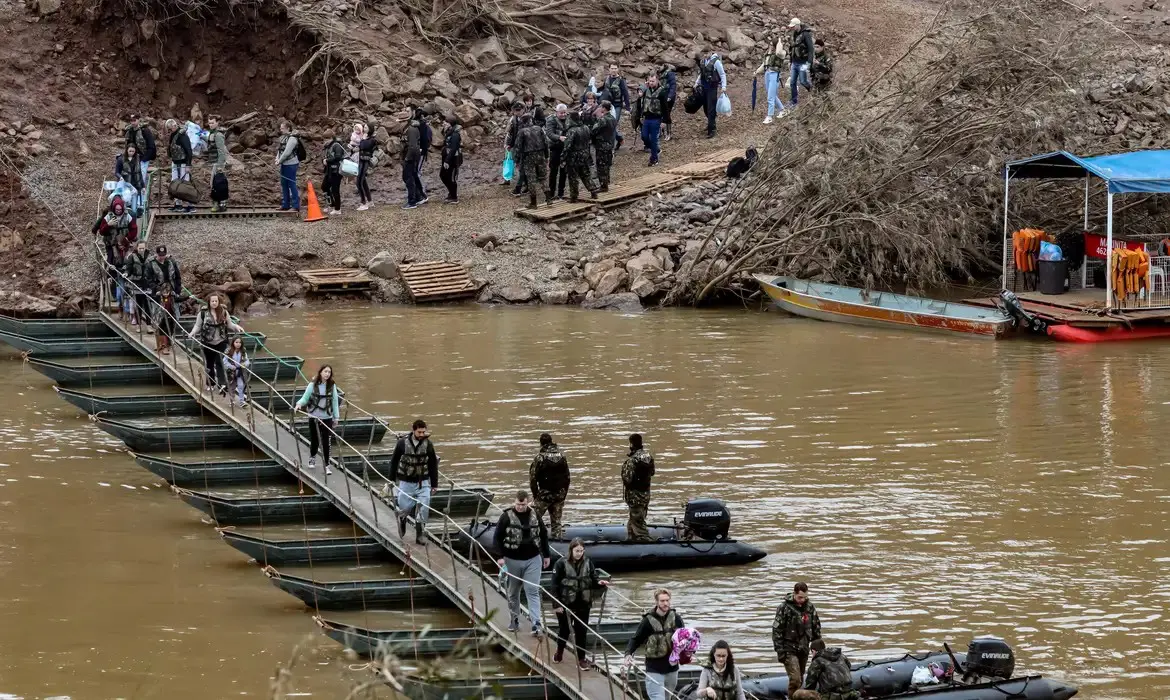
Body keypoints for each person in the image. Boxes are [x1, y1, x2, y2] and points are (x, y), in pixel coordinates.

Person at [493, 490, 551, 636]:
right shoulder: (506, 516)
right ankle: (514, 619)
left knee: (532, 590)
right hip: (512, 560)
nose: (520, 507)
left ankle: (536, 623)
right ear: (515, 502)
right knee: (513, 592)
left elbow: (543, 535)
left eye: (523, 504)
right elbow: (497, 537)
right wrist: (500, 557)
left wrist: (546, 555)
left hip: (533, 559)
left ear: (528, 502)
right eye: (518, 504)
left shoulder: (535, 515)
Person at [551, 537, 607, 668]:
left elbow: (593, 578)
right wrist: (556, 605)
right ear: (571, 550)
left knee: (581, 632)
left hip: (583, 603)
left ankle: (581, 659)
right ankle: (559, 652)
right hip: (565, 603)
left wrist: (599, 582)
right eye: (577, 551)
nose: (579, 553)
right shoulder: (560, 563)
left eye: (581, 551)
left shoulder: (588, 562)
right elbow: (554, 585)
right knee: (564, 630)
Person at [623, 588, 684, 700]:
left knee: (668, 697)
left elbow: (684, 637)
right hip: (654, 668)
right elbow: (636, 639)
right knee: (657, 697)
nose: (665, 603)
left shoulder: (677, 618)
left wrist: (688, 653)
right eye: (662, 601)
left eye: (667, 600)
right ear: (656, 602)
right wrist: (628, 654)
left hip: (672, 667)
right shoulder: (647, 620)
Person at [389, 419, 440, 545]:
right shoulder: (402, 443)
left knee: (424, 506)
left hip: (423, 482)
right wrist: (391, 480)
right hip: (406, 482)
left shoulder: (428, 444)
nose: (421, 434)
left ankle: (420, 535)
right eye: (419, 432)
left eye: (423, 432)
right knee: (404, 507)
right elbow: (394, 461)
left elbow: (433, 464)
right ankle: (402, 520)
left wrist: (434, 484)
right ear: (413, 430)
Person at [772, 581, 823, 699]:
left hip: (804, 648)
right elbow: (777, 631)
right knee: (795, 679)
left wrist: (818, 647)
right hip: (789, 648)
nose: (802, 600)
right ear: (794, 594)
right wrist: (780, 651)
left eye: (804, 597)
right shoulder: (784, 608)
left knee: (800, 678)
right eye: (800, 597)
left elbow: (816, 627)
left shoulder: (809, 607)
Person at [190, 292, 243, 391]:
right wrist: (192, 332)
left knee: (220, 361)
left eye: (216, 301)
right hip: (207, 342)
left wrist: (236, 327)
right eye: (212, 301)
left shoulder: (224, 312)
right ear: (209, 302)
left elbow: (230, 325)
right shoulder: (203, 313)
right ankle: (210, 383)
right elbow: (197, 326)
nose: (214, 303)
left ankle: (222, 384)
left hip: (221, 341)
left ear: (219, 302)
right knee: (209, 363)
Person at [294, 365, 340, 475]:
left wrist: (336, 417)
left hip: (327, 418)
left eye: (329, 372)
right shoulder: (312, 385)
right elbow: (305, 398)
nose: (327, 374)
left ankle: (327, 465)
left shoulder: (332, 386)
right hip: (314, 417)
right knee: (314, 440)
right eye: (325, 371)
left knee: (326, 442)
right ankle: (312, 457)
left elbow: (335, 401)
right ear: (320, 372)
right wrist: (299, 404)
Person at [529, 432, 570, 538]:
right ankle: (557, 541)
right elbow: (567, 478)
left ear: (541, 443)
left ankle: (532, 541)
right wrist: (563, 495)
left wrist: (536, 496)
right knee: (556, 523)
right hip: (559, 495)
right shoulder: (562, 456)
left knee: (532, 520)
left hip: (544, 495)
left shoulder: (539, 458)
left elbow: (533, 479)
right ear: (552, 442)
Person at [792, 639, 859, 700]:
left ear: (813, 651)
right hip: (850, 694)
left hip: (832, 697)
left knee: (797, 694)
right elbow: (849, 667)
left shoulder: (817, 661)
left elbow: (810, 686)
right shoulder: (841, 655)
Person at [621, 433, 655, 542]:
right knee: (637, 518)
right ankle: (631, 537)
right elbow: (652, 472)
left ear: (631, 444)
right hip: (645, 494)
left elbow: (627, 479)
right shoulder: (648, 457)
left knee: (638, 521)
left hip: (635, 496)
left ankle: (645, 540)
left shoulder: (632, 460)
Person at [91, 195, 138, 270]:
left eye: (120, 209)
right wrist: (108, 225)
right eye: (117, 209)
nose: (118, 211)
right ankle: (111, 273)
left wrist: (128, 238)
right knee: (111, 260)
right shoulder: (108, 214)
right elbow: (101, 227)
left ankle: (125, 271)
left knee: (126, 259)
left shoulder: (128, 215)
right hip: (111, 242)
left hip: (124, 241)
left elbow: (134, 228)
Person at [516, 114, 551, 209]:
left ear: (523, 121)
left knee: (531, 179)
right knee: (543, 177)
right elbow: (546, 143)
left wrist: (517, 160)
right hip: (541, 154)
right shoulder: (539, 129)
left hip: (528, 157)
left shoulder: (522, 131)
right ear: (531, 120)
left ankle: (533, 203)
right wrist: (547, 156)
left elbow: (518, 147)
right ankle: (549, 199)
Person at [564, 112, 599, 203]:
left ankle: (574, 197)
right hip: (585, 154)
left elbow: (567, 146)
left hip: (574, 156)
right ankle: (593, 191)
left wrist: (563, 157)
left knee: (573, 177)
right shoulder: (586, 127)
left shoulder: (572, 130)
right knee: (585, 173)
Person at [755, 35, 787, 123]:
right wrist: (756, 72)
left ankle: (770, 116)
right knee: (772, 95)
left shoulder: (782, 53)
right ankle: (783, 110)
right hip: (767, 74)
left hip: (774, 75)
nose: (770, 46)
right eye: (770, 44)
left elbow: (778, 52)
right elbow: (764, 64)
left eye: (772, 45)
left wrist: (779, 41)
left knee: (770, 97)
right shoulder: (769, 53)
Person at [694, 52, 727, 138]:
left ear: (710, 52)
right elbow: (701, 73)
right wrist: (697, 83)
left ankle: (711, 130)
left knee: (711, 108)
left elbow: (722, 74)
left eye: (706, 54)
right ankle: (711, 123)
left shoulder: (716, 62)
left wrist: (723, 86)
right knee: (705, 108)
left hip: (712, 88)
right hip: (704, 87)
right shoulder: (704, 61)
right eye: (703, 54)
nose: (704, 56)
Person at [165, 118, 194, 213]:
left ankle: (190, 205)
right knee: (175, 183)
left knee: (185, 184)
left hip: (183, 163)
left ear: (174, 126)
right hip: (175, 162)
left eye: (170, 129)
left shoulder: (183, 136)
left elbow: (189, 151)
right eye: (168, 129)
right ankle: (178, 204)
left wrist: (188, 165)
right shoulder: (173, 135)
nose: (170, 131)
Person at [638, 74, 667, 167]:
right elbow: (642, 100)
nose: (651, 83)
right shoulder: (646, 90)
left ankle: (654, 159)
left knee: (654, 139)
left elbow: (665, 107)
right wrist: (641, 115)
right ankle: (656, 150)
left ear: (657, 81)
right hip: (647, 118)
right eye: (650, 81)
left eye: (653, 81)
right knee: (644, 136)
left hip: (656, 118)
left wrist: (664, 121)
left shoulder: (662, 91)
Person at [153, 280, 187, 355]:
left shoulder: (172, 297)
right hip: (161, 317)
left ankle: (165, 346)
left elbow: (179, 299)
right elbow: (153, 297)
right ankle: (159, 345)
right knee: (158, 331)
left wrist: (188, 297)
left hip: (170, 317)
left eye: (167, 293)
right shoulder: (159, 297)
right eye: (164, 293)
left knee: (167, 332)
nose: (165, 294)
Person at [600, 65, 630, 149]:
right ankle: (619, 138)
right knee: (607, 124)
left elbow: (625, 93)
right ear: (609, 69)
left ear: (618, 69)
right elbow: (602, 90)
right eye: (612, 68)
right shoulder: (606, 79)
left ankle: (611, 147)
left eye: (615, 68)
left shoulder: (621, 80)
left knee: (612, 124)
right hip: (607, 105)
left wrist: (628, 107)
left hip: (617, 105)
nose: (613, 70)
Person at [545, 104, 571, 199]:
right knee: (553, 171)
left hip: (565, 148)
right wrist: (559, 137)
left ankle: (561, 192)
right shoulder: (551, 120)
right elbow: (549, 133)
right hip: (555, 148)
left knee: (564, 171)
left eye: (564, 112)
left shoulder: (569, 118)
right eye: (561, 113)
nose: (563, 115)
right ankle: (551, 193)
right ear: (556, 112)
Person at [275, 120, 302, 212]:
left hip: (291, 164)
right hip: (284, 164)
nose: (281, 130)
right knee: (284, 184)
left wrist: (279, 161)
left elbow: (287, 152)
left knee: (291, 183)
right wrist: (277, 158)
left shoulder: (292, 139)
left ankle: (295, 206)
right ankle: (285, 204)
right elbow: (280, 150)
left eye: (282, 128)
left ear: (288, 128)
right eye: (280, 128)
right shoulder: (284, 138)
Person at [589, 102, 616, 192]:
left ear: (604, 108)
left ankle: (603, 186)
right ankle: (606, 182)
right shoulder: (612, 118)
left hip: (601, 145)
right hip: (609, 144)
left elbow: (594, 130)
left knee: (601, 166)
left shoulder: (603, 119)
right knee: (607, 164)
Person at [124, 240, 151, 328]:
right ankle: (139, 324)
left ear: (145, 248)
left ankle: (149, 325)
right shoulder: (132, 256)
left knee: (147, 305)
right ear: (137, 248)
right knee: (138, 304)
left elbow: (152, 268)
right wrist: (126, 273)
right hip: (137, 283)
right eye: (140, 248)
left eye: (143, 248)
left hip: (147, 283)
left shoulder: (150, 256)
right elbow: (129, 268)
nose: (141, 250)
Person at [788, 18, 815, 105]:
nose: (791, 28)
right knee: (792, 82)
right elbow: (791, 48)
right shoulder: (794, 34)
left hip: (803, 63)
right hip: (794, 63)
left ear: (797, 25)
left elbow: (811, 49)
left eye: (793, 26)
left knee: (803, 81)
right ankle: (794, 101)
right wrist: (790, 61)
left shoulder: (806, 34)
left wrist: (809, 63)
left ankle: (813, 90)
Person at [124, 115, 157, 186]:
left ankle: (143, 191)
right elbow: (127, 145)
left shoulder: (145, 130)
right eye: (131, 121)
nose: (133, 123)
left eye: (134, 120)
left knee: (141, 177)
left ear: (138, 120)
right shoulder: (129, 131)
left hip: (143, 157)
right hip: (132, 157)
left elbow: (151, 145)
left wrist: (145, 158)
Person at [205, 114, 228, 212]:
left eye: (212, 123)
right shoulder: (212, 133)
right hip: (213, 161)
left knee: (217, 183)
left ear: (217, 123)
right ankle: (220, 203)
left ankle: (219, 203)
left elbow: (221, 151)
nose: (210, 125)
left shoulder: (218, 135)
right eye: (209, 123)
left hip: (217, 162)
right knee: (216, 183)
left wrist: (220, 165)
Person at [504, 102, 528, 197]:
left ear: (523, 110)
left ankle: (521, 187)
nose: (518, 112)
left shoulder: (528, 119)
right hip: (516, 145)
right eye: (516, 110)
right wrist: (508, 144)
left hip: (526, 146)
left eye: (519, 110)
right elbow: (510, 133)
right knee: (518, 165)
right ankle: (526, 184)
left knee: (522, 166)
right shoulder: (513, 119)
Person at [401, 116, 425, 209]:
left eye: (401, 121)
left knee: (408, 178)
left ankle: (412, 201)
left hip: (411, 157)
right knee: (411, 177)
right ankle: (419, 197)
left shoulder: (411, 130)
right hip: (410, 156)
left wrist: (408, 158)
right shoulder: (407, 129)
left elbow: (413, 146)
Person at [115, 143, 145, 214]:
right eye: (130, 151)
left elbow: (139, 173)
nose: (131, 153)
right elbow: (116, 172)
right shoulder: (120, 159)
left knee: (134, 207)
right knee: (126, 204)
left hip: (135, 185)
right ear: (127, 150)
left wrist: (143, 186)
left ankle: (133, 215)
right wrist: (120, 177)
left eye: (133, 151)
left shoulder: (137, 159)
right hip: (126, 184)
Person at [322, 127, 346, 214]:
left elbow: (338, 157)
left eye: (327, 138)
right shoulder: (328, 146)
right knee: (324, 187)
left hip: (336, 171)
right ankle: (331, 204)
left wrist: (327, 161)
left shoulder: (337, 145)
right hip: (329, 171)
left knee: (335, 189)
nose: (325, 141)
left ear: (331, 138)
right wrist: (324, 160)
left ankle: (337, 209)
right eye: (324, 139)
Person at [222, 335, 250, 408]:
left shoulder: (243, 351)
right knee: (232, 387)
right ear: (233, 343)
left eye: (240, 342)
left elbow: (247, 361)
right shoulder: (229, 351)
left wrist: (244, 364)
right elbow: (224, 361)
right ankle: (232, 401)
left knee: (241, 386)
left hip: (240, 372)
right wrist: (231, 366)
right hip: (231, 372)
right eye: (236, 342)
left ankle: (241, 402)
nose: (238, 344)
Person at [439, 116, 462, 204]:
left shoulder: (455, 134)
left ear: (450, 124)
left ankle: (454, 197)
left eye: (446, 122)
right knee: (443, 175)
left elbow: (453, 149)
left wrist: (447, 161)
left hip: (453, 160)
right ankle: (451, 192)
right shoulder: (448, 132)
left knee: (451, 178)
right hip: (447, 158)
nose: (443, 123)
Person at [356, 123, 377, 210]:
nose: (364, 128)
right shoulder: (364, 138)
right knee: (363, 181)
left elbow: (364, 146)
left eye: (365, 127)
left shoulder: (372, 139)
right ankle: (370, 201)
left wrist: (363, 139)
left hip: (366, 162)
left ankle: (363, 203)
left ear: (369, 129)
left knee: (359, 182)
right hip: (361, 161)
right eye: (364, 127)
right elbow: (360, 147)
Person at [415, 108, 433, 201]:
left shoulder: (420, 126)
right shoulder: (425, 126)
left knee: (417, 172)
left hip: (420, 151)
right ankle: (420, 192)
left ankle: (421, 193)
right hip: (422, 151)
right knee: (417, 171)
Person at [659, 64, 678, 141]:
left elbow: (673, 85)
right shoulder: (661, 74)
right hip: (663, 96)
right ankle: (662, 132)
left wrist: (670, 96)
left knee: (667, 114)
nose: (658, 67)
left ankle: (668, 133)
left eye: (660, 66)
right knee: (661, 114)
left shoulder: (669, 73)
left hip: (669, 97)